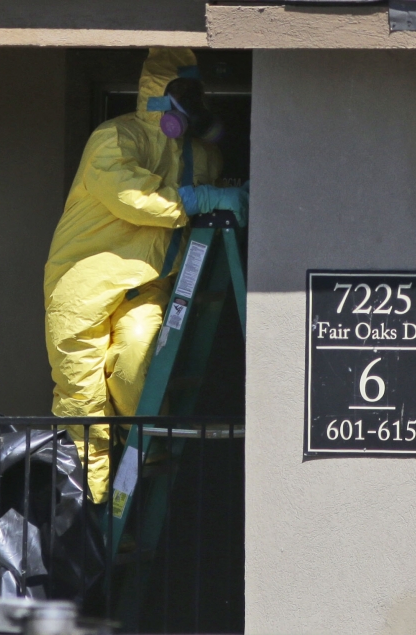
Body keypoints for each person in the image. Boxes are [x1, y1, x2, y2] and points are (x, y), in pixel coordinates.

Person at [44, 48, 248, 503]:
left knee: (136, 366)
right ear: (156, 94)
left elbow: (212, 187)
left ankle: (142, 460)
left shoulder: (202, 155)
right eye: (181, 93)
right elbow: (130, 195)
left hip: (148, 286)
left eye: (196, 94)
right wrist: (198, 199)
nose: (191, 104)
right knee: (82, 404)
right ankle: (85, 512)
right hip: (82, 283)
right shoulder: (114, 138)